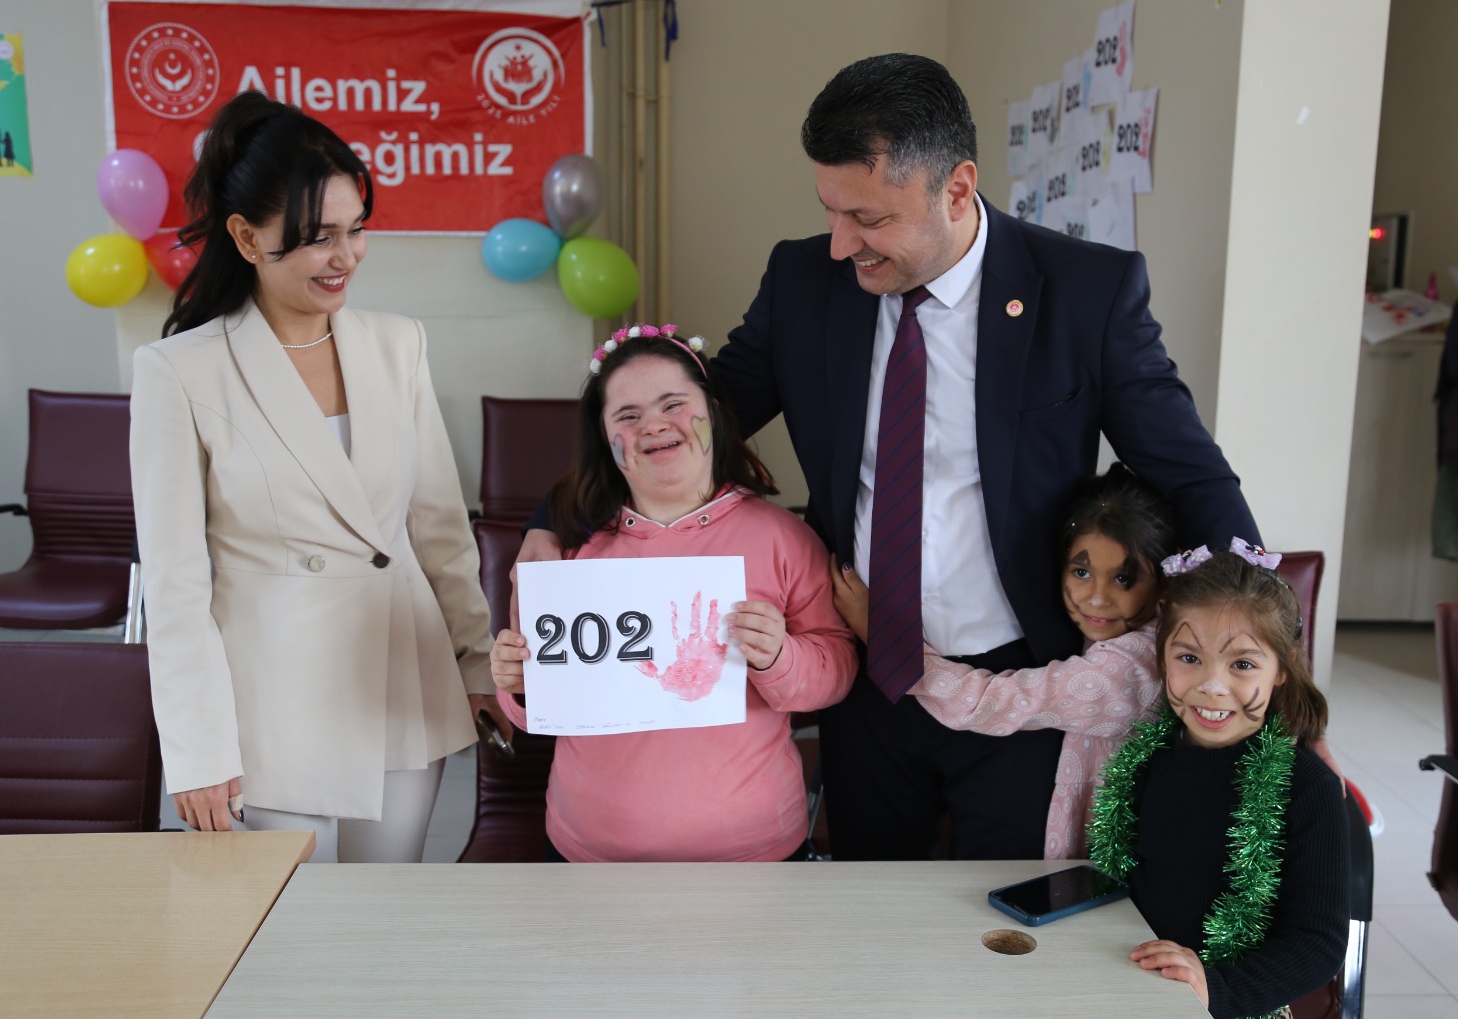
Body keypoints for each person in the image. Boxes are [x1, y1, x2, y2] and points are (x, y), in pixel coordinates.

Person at [517, 53, 1258, 860]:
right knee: (869, 907)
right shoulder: (804, 282)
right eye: (831, 212)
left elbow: (1188, 471)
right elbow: (698, 420)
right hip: (867, 672)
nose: (843, 244)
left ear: (957, 189)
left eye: (868, 219)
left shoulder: (1084, 292)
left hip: (1017, 681)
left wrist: (1262, 640)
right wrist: (551, 520)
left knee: (1004, 911)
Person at [129, 92, 501, 862]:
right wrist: (197, 749)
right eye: (317, 238)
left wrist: (475, 661)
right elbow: (174, 584)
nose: (346, 256)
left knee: (387, 911)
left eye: (355, 229)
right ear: (245, 236)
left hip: (397, 677)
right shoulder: (179, 371)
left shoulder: (398, 344)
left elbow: (438, 528)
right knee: (284, 917)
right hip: (272, 701)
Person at [489, 326, 857, 862]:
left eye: (673, 404)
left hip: (756, 857)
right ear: (605, 439)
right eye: (627, 415)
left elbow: (838, 672)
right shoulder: (563, 551)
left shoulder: (783, 538)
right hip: (587, 856)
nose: (654, 425)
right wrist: (521, 686)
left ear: (713, 413)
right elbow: (533, 709)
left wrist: (780, 657)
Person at [831, 463, 1171, 860]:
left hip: (1111, 865)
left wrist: (889, 645)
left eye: (1123, 579)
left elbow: (995, 702)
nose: (1097, 597)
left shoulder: (1134, 668)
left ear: (1165, 580)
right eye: (1081, 571)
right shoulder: (1089, 632)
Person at [1093, 547, 1349, 1018]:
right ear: (1162, 656)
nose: (1211, 686)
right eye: (1189, 657)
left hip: (1232, 1003)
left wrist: (1215, 988)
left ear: (1283, 669)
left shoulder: (1307, 785)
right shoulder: (1144, 760)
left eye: (1242, 664)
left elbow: (1319, 943)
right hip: (1131, 989)